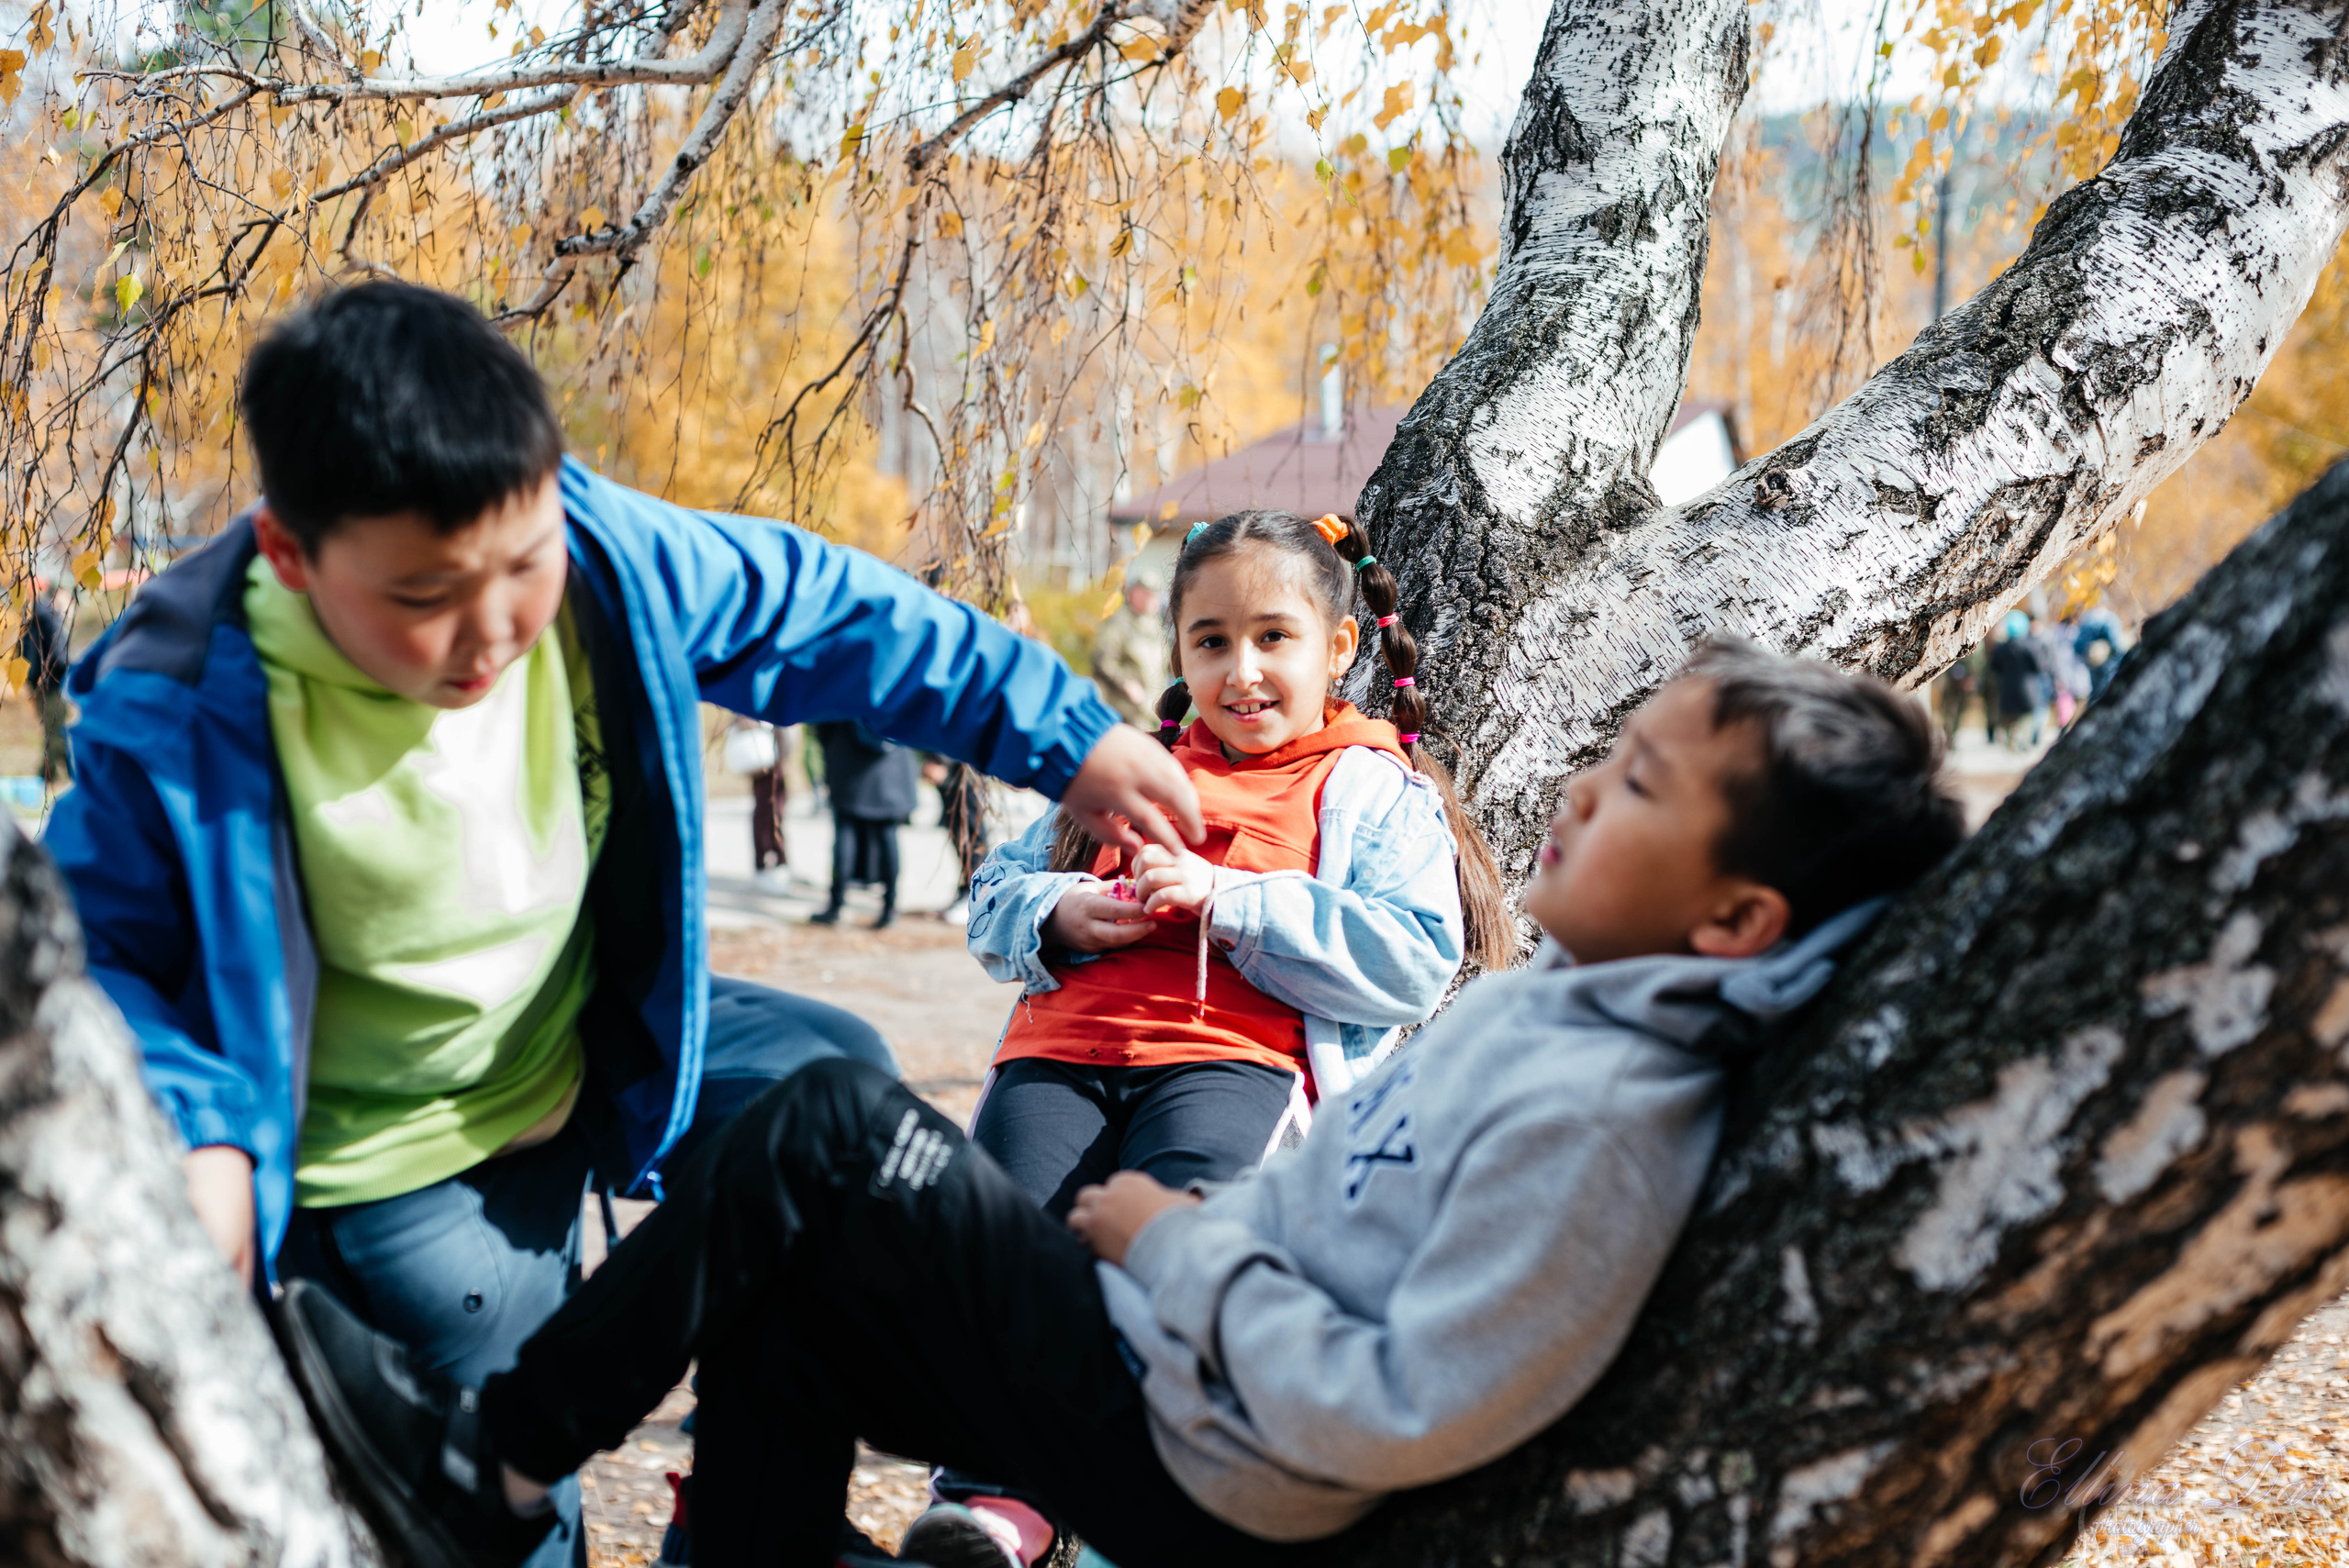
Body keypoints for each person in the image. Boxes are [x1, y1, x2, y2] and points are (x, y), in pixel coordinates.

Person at [278, 636, 1965, 1568]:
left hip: (1214, 1458)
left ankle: (494, 1464)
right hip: (1172, 1376)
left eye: (1642, 783)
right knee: (791, 1275)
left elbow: (1399, 1406)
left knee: (826, 1125)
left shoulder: (1617, 1115)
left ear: (1736, 918)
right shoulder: (1563, 1012)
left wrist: (1175, 1243)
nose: (1584, 789)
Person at [43, 284, 1202, 1568]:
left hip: (586, 1035)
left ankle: (747, 1516)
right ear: (291, 556)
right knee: (501, 1512)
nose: (493, 630)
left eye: (521, 567)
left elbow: (835, 613)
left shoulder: (609, 556)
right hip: (399, 1151)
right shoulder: (184, 702)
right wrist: (197, 1130)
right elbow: (105, 966)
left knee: (828, 1097)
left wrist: (1062, 733)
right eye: (424, 595)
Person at [921, 508, 1512, 1561]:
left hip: (1236, 1065)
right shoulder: (1133, 767)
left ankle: (1136, 1519)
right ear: (1178, 648)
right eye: (1211, 639)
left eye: (1273, 636)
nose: (1241, 670)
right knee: (1001, 1258)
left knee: (1169, 1269)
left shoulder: (1369, 782)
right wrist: (1059, 910)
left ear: (1339, 644)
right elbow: (995, 894)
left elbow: (1414, 956)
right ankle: (992, 1507)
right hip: (1055, 1053)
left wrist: (1229, 899)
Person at [810, 720, 920, 929]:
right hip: (892, 764)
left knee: (845, 834)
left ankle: (837, 905)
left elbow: (822, 721)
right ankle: (890, 907)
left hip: (848, 762)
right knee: (888, 835)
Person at [1092, 565, 1168, 728]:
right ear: (1134, 593)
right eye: (1146, 593)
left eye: (1154, 594)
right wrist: (1126, 683)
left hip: (1152, 713)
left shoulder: (1155, 625)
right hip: (1125, 713)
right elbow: (1102, 661)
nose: (1151, 598)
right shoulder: (1119, 622)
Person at [20, 582, 73, 784]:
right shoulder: (51, 615)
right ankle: (48, 775)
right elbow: (59, 653)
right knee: (55, 728)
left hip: (37, 681)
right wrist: (65, 669)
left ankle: (63, 772)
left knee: (54, 725)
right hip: (51, 682)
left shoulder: (35, 616)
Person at [1988, 609, 2050, 751]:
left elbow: (1994, 668)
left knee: (2009, 721)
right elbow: (2041, 667)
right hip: (2028, 692)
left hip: (2007, 690)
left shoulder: (2000, 648)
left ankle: (2011, 743)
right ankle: (2020, 745)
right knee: (2026, 722)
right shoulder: (2030, 647)